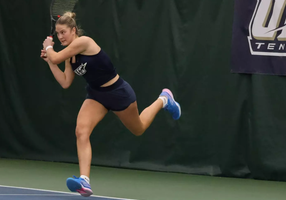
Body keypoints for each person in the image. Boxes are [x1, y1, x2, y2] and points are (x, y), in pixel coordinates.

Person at [40, 12, 181, 197]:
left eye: (63, 32)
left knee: (139, 128)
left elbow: (56, 56)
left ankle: (163, 100)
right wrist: (50, 62)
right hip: (96, 95)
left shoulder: (85, 42)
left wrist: (49, 48)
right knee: (81, 131)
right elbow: (66, 82)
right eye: (57, 34)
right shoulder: (68, 56)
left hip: (118, 92)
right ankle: (84, 180)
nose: (60, 37)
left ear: (74, 30)